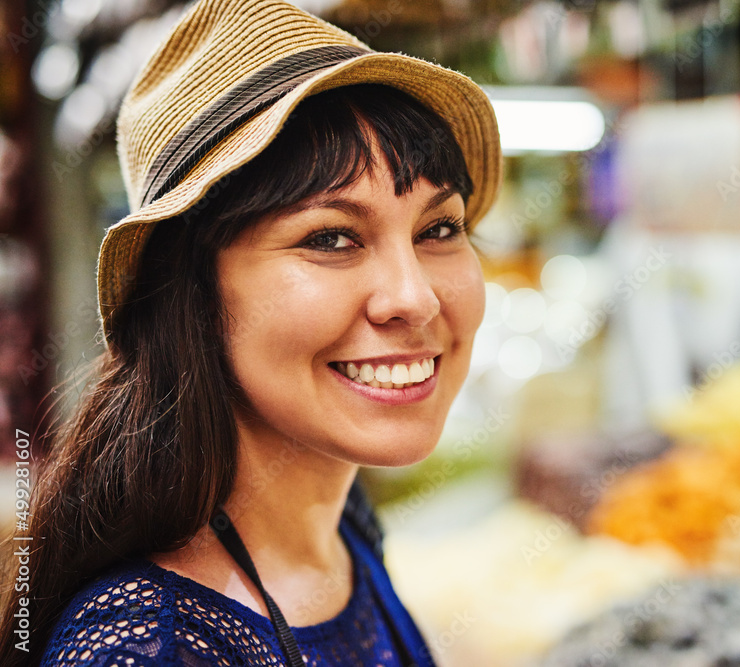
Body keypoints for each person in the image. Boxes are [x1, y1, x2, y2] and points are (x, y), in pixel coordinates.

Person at [0, 0, 502, 664]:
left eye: (438, 228)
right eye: (330, 237)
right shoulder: (152, 647)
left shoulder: (341, 526)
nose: (413, 298)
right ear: (192, 293)